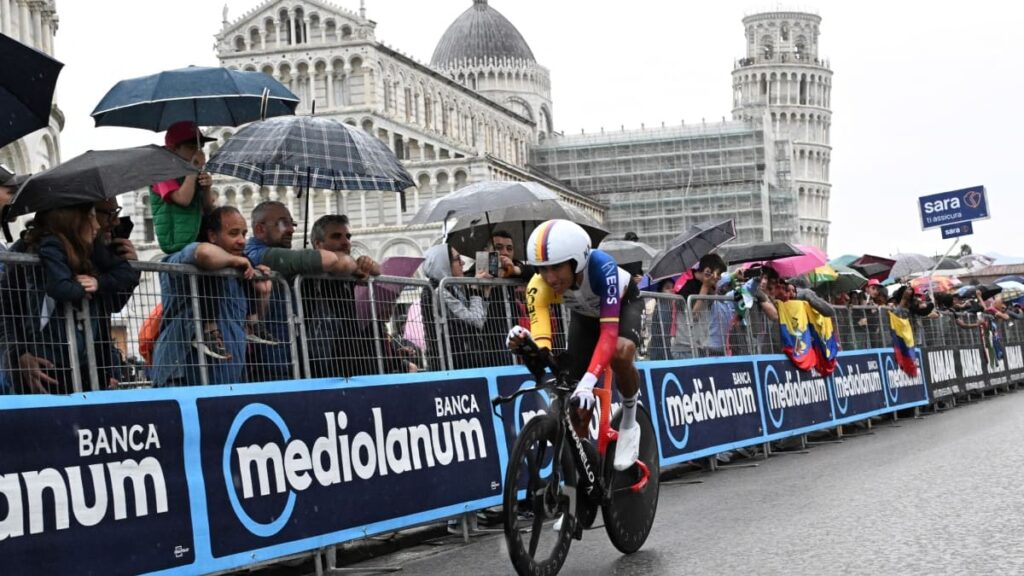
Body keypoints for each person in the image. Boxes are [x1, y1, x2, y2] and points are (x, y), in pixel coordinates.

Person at [507, 219, 643, 471]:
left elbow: (609, 334)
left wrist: (590, 381)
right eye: (542, 269)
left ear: (576, 261)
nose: (550, 277)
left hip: (622, 308)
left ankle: (629, 419)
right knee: (575, 399)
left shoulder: (603, 268)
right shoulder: (539, 285)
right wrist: (528, 347)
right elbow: (543, 342)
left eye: (557, 267)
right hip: (585, 318)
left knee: (620, 352)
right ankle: (580, 468)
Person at [1, 204, 137, 393]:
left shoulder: (94, 250)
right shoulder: (34, 251)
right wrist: (19, 353)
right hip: (46, 364)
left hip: (88, 366)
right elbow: (10, 310)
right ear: (74, 220)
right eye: (93, 216)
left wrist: (101, 281)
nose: (100, 225)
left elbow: (116, 298)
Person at [151, 206, 271, 387]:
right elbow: (204, 253)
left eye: (244, 234)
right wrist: (236, 260)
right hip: (181, 380)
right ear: (212, 235)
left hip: (227, 380)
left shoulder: (237, 274)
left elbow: (247, 324)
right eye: (233, 233)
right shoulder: (183, 258)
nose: (242, 241)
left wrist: (263, 293)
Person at [244, 202, 357, 381]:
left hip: (288, 362)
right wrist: (353, 265)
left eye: (292, 224)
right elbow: (330, 260)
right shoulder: (258, 254)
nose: (291, 230)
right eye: (283, 223)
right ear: (260, 229)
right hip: (269, 367)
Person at [307, 214, 416, 376]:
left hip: (369, 365)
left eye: (348, 236)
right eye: (336, 236)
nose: (345, 242)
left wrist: (374, 273)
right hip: (334, 369)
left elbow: (380, 316)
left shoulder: (357, 275)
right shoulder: (310, 278)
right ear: (318, 244)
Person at [91, 198, 141, 387]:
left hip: (102, 355)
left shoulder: (104, 254)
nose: (115, 222)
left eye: (117, 213)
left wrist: (130, 269)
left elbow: (114, 304)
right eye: (109, 214)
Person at [421, 243, 488, 371]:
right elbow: (476, 321)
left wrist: (485, 293)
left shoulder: (452, 287)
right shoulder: (438, 290)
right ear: (444, 264)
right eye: (457, 259)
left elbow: (479, 319)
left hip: (459, 360)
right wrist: (474, 290)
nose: (462, 263)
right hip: (449, 364)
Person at [670, 253, 727, 359]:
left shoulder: (707, 285)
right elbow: (693, 316)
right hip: (684, 348)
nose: (719, 278)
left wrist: (708, 286)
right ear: (708, 270)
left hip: (701, 347)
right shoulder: (686, 284)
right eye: (718, 274)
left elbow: (716, 298)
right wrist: (705, 286)